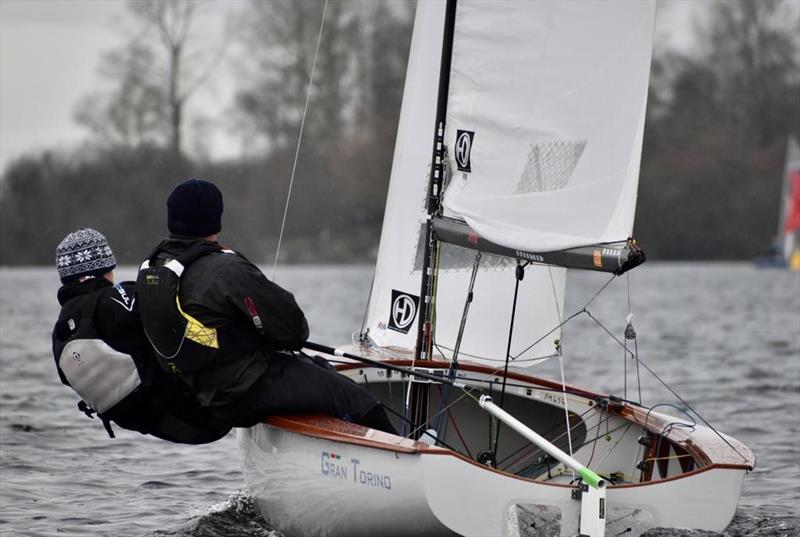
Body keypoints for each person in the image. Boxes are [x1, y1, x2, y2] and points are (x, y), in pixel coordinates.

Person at [136, 178, 396, 432]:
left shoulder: (152, 268)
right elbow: (294, 330)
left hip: (195, 395)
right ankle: (402, 460)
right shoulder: (226, 268)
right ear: (216, 217)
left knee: (319, 369)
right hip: (242, 391)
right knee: (357, 400)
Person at [52, 228, 230, 444]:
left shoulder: (60, 332)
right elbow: (165, 299)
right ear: (105, 266)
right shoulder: (116, 299)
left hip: (153, 422)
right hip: (202, 415)